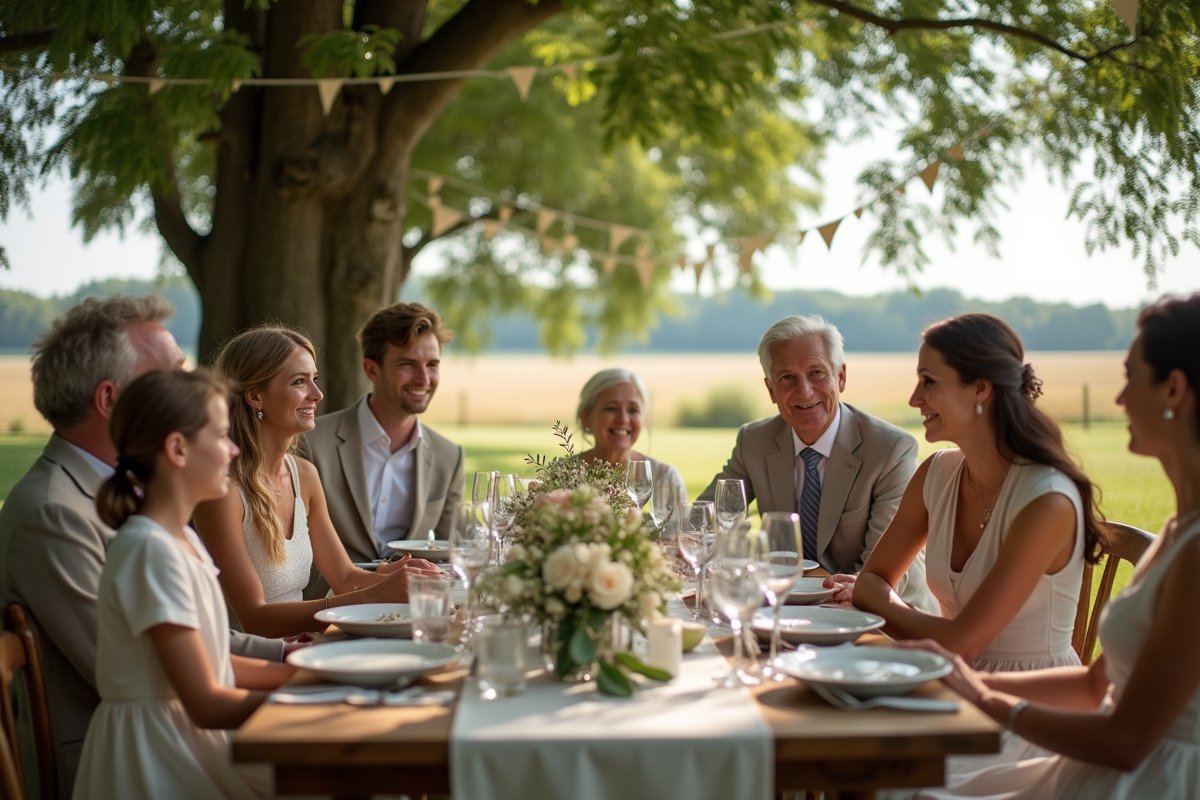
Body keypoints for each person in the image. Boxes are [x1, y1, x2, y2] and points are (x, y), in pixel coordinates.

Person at [889, 294, 1200, 800]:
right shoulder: (1178, 529)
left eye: (1129, 377)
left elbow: (1127, 742)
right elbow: (1092, 687)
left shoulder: (1194, 551)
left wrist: (987, 701)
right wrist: (956, 681)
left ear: (1174, 388)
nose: (1119, 398)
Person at [0, 295, 281, 800]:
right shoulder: (53, 513)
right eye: (172, 374)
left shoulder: (150, 500)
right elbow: (153, 671)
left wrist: (301, 658)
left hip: (188, 730)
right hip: (128, 758)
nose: (191, 382)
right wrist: (312, 686)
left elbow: (200, 646)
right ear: (112, 399)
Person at [74, 369, 294, 800]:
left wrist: (311, 675)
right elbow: (206, 703)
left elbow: (215, 663)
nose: (234, 449)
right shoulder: (149, 551)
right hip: (156, 755)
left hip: (189, 739)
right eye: (222, 436)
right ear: (177, 449)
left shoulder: (182, 539)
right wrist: (315, 702)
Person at [851, 313, 1101, 673]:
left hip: (1029, 696)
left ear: (980, 389)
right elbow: (868, 583)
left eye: (928, 381)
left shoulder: (1047, 500)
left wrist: (889, 611)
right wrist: (923, 627)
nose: (914, 398)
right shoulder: (936, 474)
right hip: (946, 675)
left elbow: (962, 642)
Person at [194, 325, 440, 639]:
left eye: (314, 379)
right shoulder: (222, 490)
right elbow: (255, 618)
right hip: (250, 660)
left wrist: (403, 578)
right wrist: (371, 595)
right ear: (255, 397)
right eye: (299, 382)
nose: (317, 394)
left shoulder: (304, 475)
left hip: (305, 647)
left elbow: (344, 577)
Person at [698, 314, 937, 613]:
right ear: (771, 390)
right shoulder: (754, 441)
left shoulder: (891, 450)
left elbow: (882, 575)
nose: (805, 391)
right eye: (787, 378)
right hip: (789, 607)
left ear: (841, 377)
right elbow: (702, 521)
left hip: (886, 616)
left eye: (817, 373)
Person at [304, 303, 465, 565]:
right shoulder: (311, 444)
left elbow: (453, 558)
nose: (424, 379)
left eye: (432, 364)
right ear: (371, 370)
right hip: (330, 591)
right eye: (408, 364)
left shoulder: (449, 457)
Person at [576, 368, 688, 527]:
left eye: (633, 410)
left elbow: (679, 540)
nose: (623, 419)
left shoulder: (666, 479)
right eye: (611, 408)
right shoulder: (561, 475)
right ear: (586, 417)